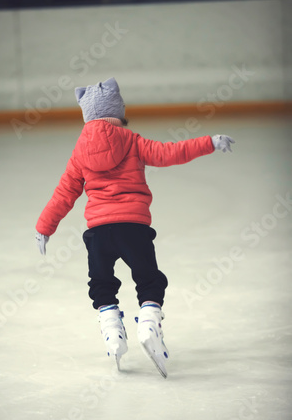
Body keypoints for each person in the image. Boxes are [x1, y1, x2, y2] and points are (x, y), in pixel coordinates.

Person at [35, 77, 235, 378]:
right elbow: (171, 152)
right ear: (117, 110)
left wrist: (44, 227)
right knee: (149, 280)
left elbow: (64, 193)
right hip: (134, 228)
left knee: (101, 285)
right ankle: (149, 323)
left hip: (99, 234)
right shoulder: (132, 141)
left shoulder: (79, 154)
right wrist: (209, 142)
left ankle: (112, 330)